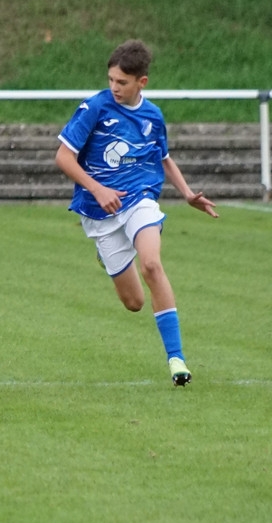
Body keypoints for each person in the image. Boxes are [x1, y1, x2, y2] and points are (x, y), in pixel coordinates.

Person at [55, 39, 218, 386]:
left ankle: (176, 359)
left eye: (122, 82)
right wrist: (98, 189)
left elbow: (163, 157)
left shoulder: (152, 116)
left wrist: (187, 193)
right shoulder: (94, 108)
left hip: (139, 199)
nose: (114, 87)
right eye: (111, 80)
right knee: (134, 302)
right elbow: (63, 157)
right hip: (98, 210)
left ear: (141, 82)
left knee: (152, 265)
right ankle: (107, 257)